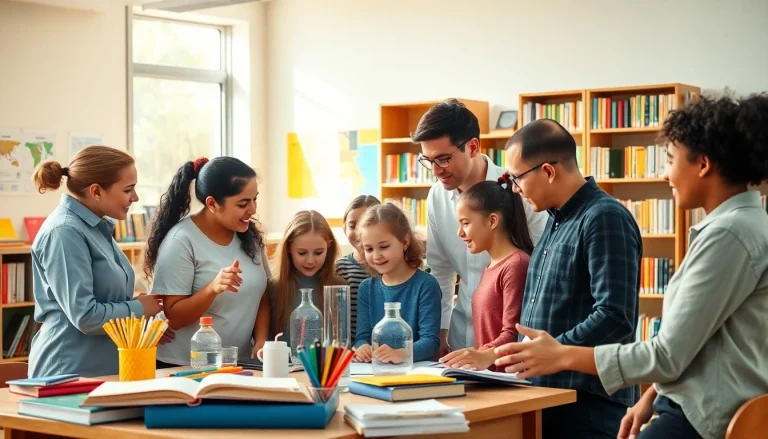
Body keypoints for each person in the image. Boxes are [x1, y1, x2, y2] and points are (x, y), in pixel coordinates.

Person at [494, 93, 768, 439]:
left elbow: (662, 349)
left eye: (670, 159)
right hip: (679, 402)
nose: (665, 174)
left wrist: (561, 355)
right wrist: (652, 396)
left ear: (702, 164)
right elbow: (701, 340)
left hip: (698, 416)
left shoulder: (730, 234)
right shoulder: (739, 226)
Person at [500, 118, 643, 438]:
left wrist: (554, 352)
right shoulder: (554, 220)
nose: (515, 189)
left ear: (549, 171)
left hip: (588, 405)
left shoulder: (605, 217)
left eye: (517, 177)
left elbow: (615, 315)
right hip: (546, 396)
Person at [412, 98, 548, 356]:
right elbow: (441, 272)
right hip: (460, 337)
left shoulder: (518, 190)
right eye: (428, 161)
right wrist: (440, 333)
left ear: (473, 147)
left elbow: (541, 266)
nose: (436, 171)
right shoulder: (437, 197)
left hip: (514, 342)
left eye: (443, 159)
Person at [28, 145, 163, 377]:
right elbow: (86, 316)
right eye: (128, 189)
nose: (135, 197)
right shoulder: (64, 232)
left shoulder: (96, 228)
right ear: (96, 191)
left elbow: (107, 299)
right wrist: (141, 309)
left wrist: (143, 315)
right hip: (68, 369)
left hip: (102, 366)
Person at [145, 156, 270, 367]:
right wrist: (213, 288)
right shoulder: (181, 241)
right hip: (182, 365)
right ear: (212, 203)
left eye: (254, 199)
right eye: (243, 203)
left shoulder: (249, 235)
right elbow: (174, 316)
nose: (253, 209)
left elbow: (263, 295)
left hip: (235, 363)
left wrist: (261, 341)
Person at [439, 176, 533, 372]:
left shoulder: (516, 264)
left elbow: (513, 333)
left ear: (492, 221)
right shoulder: (491, 266)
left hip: (507, 379)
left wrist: (482, 355)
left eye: (465, 223)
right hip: (489, 376)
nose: (460, 233)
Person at [352, 203, 441, 364]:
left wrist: (401, 354)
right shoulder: (366, 288)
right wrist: (362, 347)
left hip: (417, 371)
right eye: (369, 249)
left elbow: (430, 341)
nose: (376, 255)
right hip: (377, 370)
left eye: (384, 246)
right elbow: (362, 337)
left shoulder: (426, 285)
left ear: (405, 242)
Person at [269, 210, 341, 342]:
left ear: (329, 247)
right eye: (302, 253)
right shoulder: (273, 288)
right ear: (289, 248)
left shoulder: (339, 287)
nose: (310, 261)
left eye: (318, 253)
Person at [335, 195, 381, 342]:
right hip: (351, 352)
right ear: (344, 228)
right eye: (352, 225)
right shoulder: (339, 268)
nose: (358, 232)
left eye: (365, 224)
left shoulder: (389, 265)